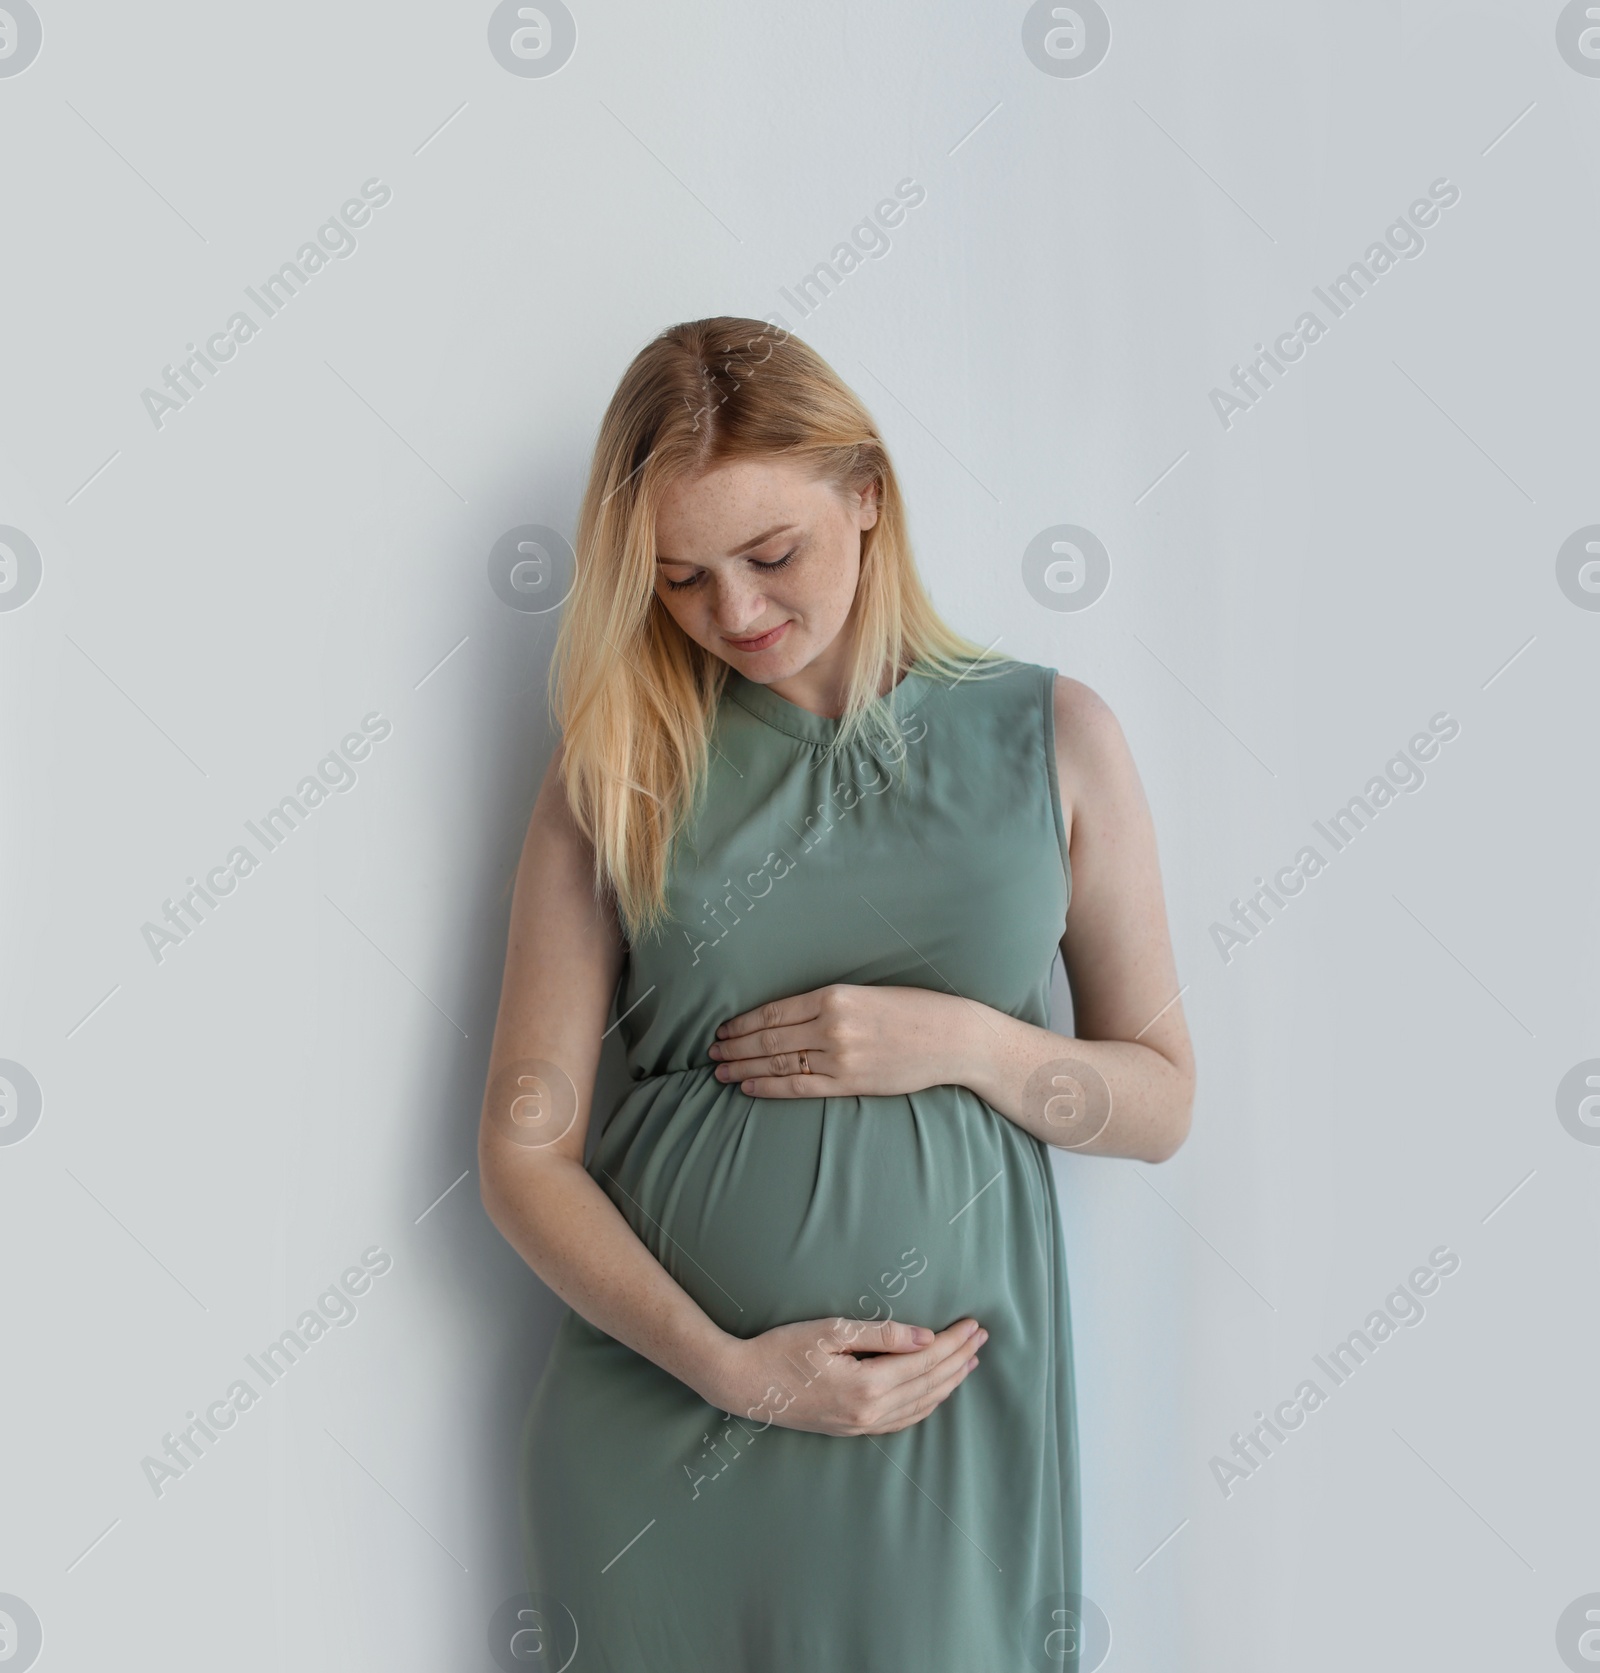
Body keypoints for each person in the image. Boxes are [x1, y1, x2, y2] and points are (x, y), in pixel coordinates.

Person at [478, 316, 1195, 1671]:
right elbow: (523, 1153)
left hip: (938, 1420)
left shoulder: (1054, 737)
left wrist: (974, 1044)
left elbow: (1159, 1102)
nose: (735, 614)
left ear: (866, 495)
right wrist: (730, 1368)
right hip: (668, 1420)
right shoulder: (619, 767)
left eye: (771, 554)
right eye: (682, 579)